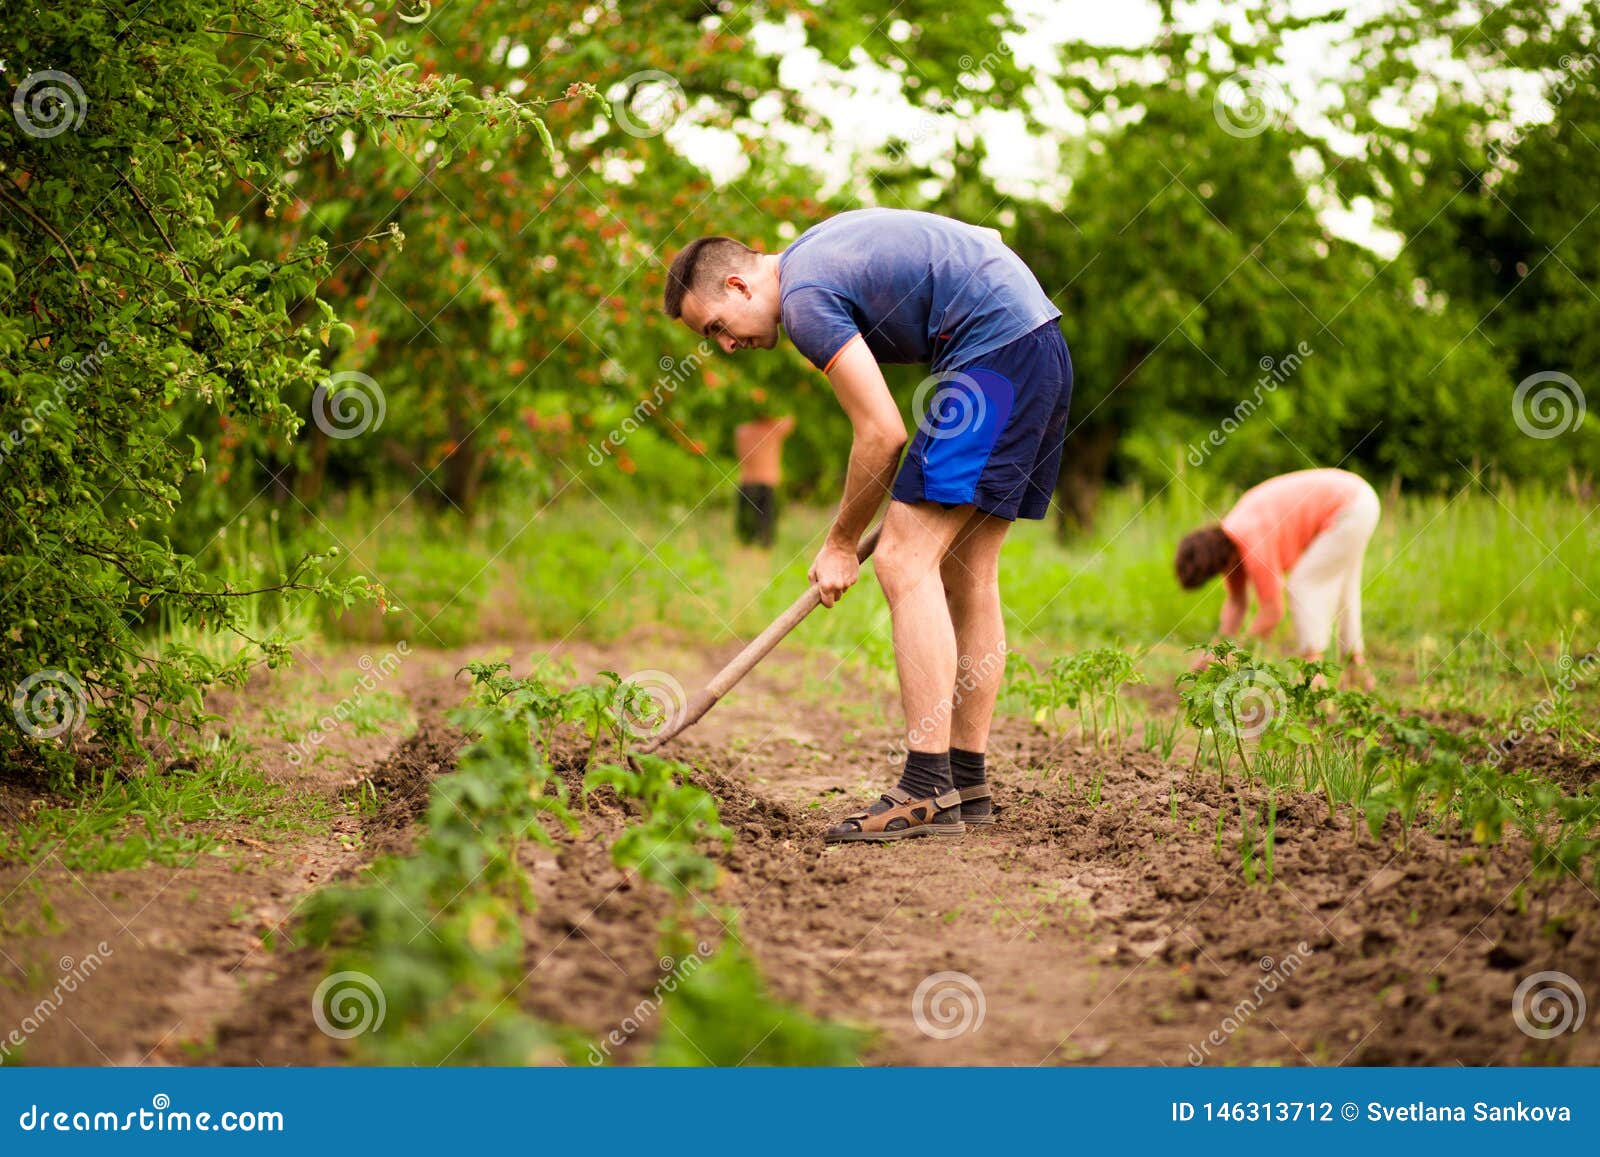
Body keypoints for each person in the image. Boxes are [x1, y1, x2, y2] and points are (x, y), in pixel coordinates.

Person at [663, 207, 1072, 844]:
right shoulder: (820, 251)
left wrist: (840, 544)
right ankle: (965, 782)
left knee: (904, 559)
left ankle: (926, 787)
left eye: (717, 326)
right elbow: (981, 240)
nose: (725, 346)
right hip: (1039, 345)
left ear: (739, 286)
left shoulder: (803, 301)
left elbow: (882, 433)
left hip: (994, 358)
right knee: (969, 573)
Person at [1175, 468, 1381, 688]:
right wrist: (1217, 652)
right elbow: (1236, 603)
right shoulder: (1230, 539)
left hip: (1349, 506)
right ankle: (1357, 669)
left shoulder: (1252, 542)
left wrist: (1235, 657)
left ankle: (1313, 672)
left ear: (1217, 563)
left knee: (1302, 583)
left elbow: (1273, 611)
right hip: (1359, 499)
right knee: (1344, 588)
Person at [733, 414, 795, 548]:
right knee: (766, 521)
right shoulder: (774, 429)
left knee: (745, 522)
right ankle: (764, 547)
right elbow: (790, 420)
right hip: (767, 481)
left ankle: (746, 547)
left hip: (746, 481)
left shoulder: (742, 431)